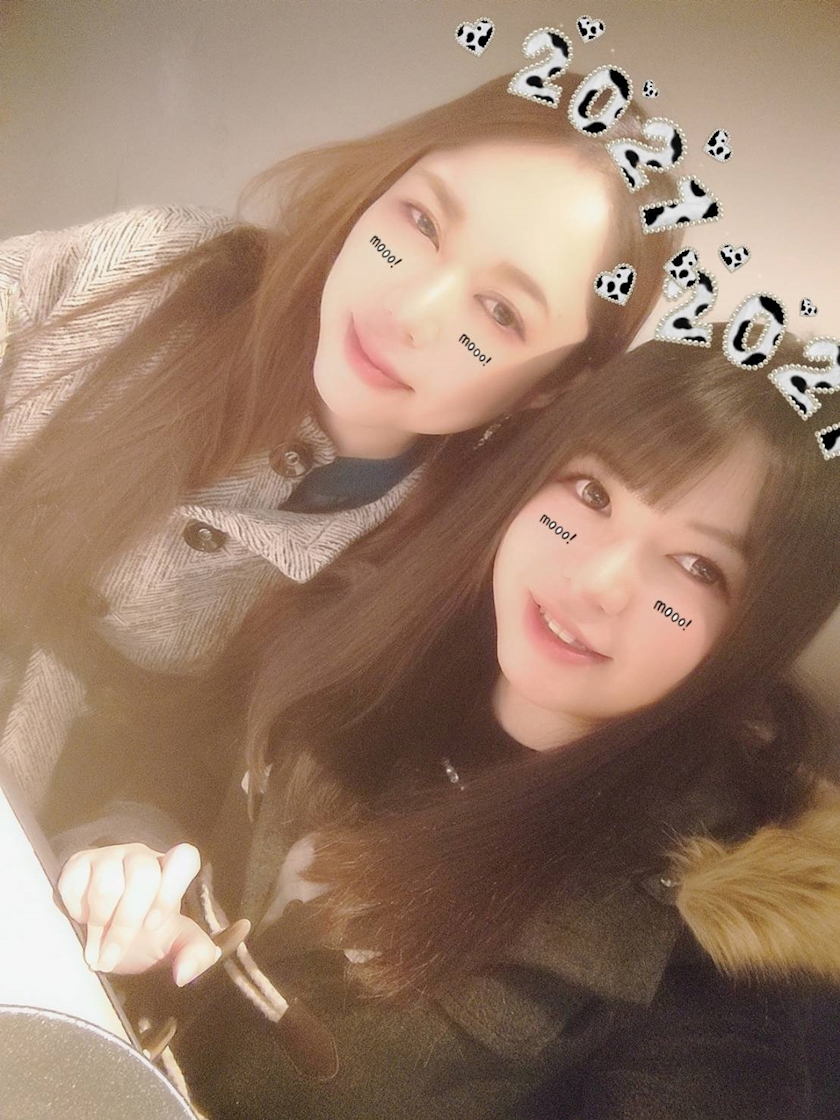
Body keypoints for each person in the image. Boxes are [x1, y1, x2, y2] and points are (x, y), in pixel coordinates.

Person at [56, 330, 840, 1118]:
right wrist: (125, 861)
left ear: (754, 637)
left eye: (698, 568)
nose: (599, 582)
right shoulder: (372, 623)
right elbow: (177, 768)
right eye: (594, 495)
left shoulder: (711, 949)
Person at [0, 72, 680, 835]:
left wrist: (140, 836)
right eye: (421, 221)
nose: (411, 309)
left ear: (548, 387)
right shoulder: (160, 268)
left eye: (499, 311)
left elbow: (206, 766)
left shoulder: (422, 577)